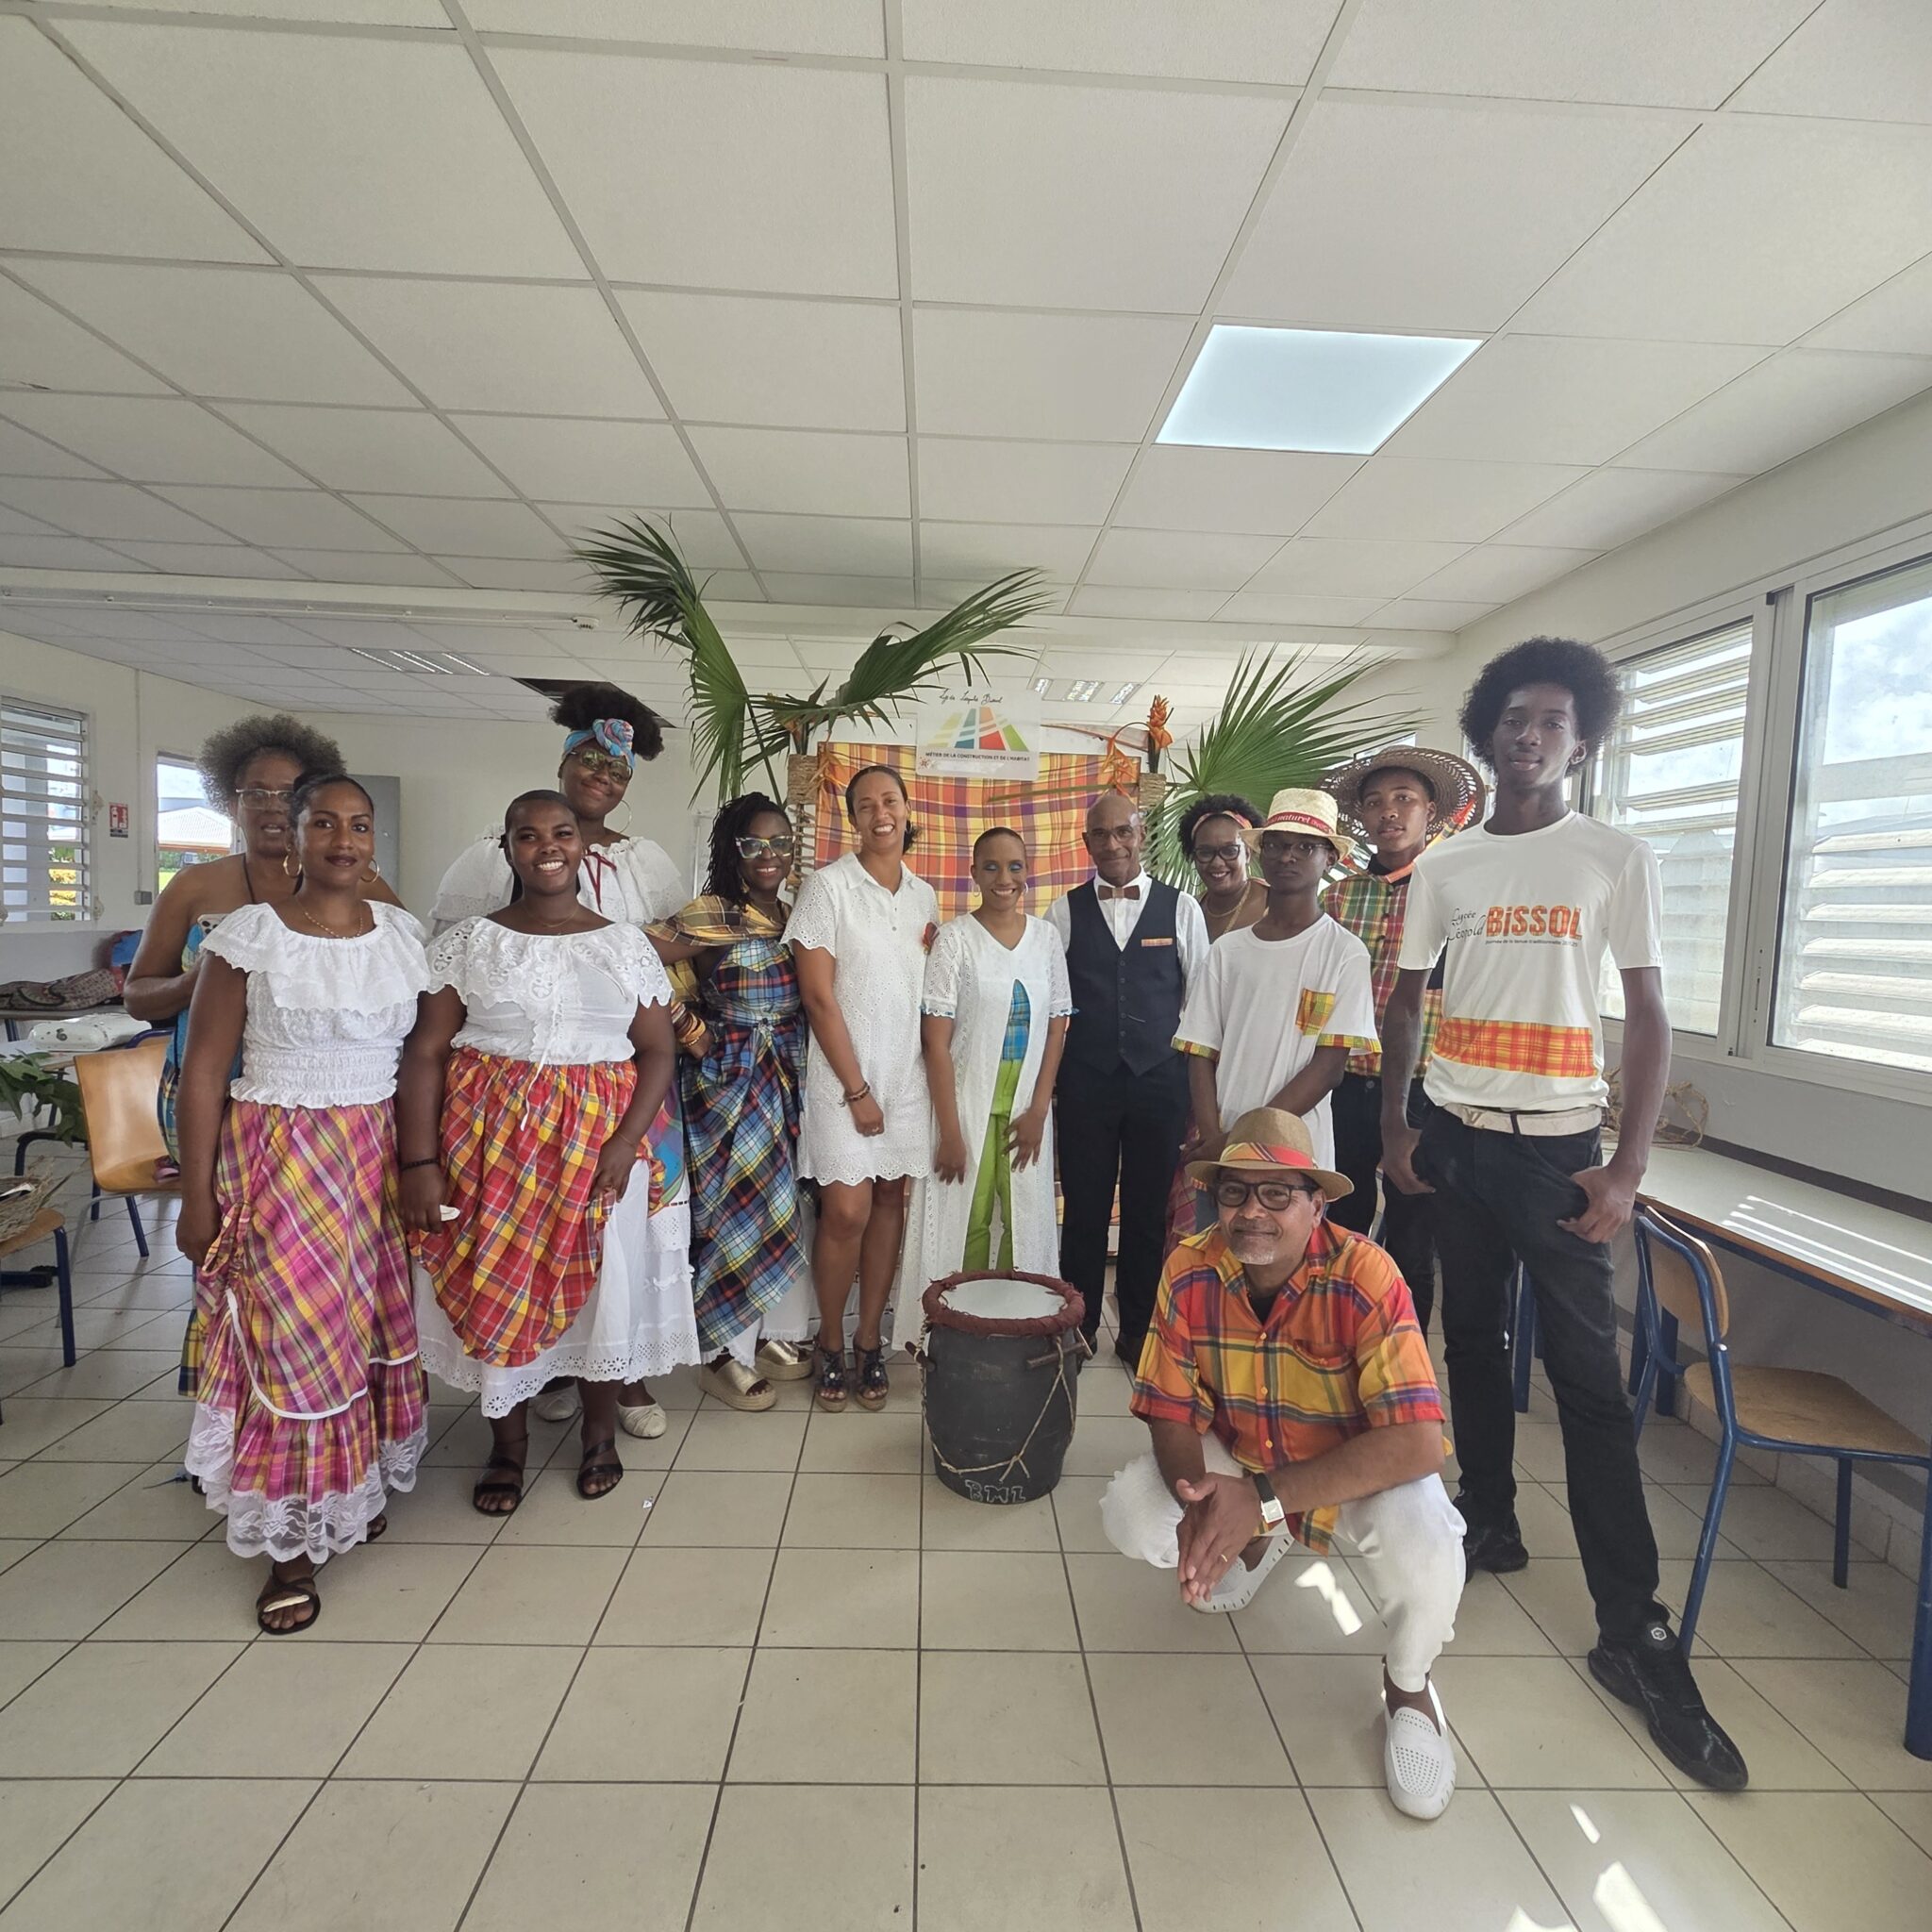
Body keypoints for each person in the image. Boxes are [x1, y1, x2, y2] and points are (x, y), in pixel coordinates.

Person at [1379, 636, 1747, 1790]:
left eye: (1550, 720)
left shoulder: (1612, 858)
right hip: (1454, 1142)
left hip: (1558, 1156)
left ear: (1580, 740)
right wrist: (1395, 1127)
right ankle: (1487, 1516)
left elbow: (1647, 1016)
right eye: (1512, 717)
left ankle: (1629, 1626)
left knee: (1588, 1385)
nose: (1528, 734)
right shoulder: (1445, 865)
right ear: (1486, 733)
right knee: (1469, 1340)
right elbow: (1405, 1001)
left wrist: (1625, 1165)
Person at [1100, 1108, 1465, 1822]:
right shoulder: (1190, 1267)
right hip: (1245, 1452)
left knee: (1429, 1549)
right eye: (1235, 1192)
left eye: (1277, 1194)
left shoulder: (1367, 1274)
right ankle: (1260, 1538)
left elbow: (1417, 1443)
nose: (1252, 1212)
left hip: (1351, 1470)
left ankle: (1409, 1686)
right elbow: (1170, 1406)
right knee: (1135, 1513)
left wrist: (1262, 1499)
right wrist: (1198, 1501)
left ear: (1316, 1204)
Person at [174, 773, 429, 1635]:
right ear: (293, 832)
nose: (343, 840)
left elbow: (420, 1059)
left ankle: (347, 1490)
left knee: (362, 1331)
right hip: (281, 1162)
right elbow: (204, 1074)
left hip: (373, 1162)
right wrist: (198, 1197)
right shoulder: (250, 936)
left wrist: (421, 1164)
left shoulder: (402, 935)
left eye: (358, 825)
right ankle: (289, 1548)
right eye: (324, 823)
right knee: (295, 1342)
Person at [398, 791, 690, 1511]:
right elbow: (427, 1051)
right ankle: (509, 1445)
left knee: (604, 1289)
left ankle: (599, 1435)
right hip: (489, 1148)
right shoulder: (470, 943)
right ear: (508, 849)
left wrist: (627, 1142)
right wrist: (420, 1163)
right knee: (498, 1282)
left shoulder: (624, 945)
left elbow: (657, 1052)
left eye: (561, 833)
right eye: (527, 835)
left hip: (601, 1151)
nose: (547, 846)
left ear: (583, 848)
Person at [124, 713, 400, 1393]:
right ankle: (238, 1397)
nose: (272, 807)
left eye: (289, 793)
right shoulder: (196, 886)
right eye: (256, 793)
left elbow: (393, 979)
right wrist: (208, 977)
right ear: (231, 800)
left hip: (326, 1100)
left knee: (322, 1267)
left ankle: (327, 1393)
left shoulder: (362, 887)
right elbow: (138, 996)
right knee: (231, 1248)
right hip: (212, 1086)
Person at [649, 793, 814, 1412]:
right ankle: (718, 1352)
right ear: (732, 851)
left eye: (780, 843)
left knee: (777, 1205)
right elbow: (634, 959)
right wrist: (690, 1030)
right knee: (724, 1209)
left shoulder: (795, 917)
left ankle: (764, 1332)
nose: (768, 855)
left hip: (785, 1073)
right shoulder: (713, 913)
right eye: (753, 844)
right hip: (725, 1082)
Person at [1319, 746, 1487, 1337]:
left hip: (1425, 1090)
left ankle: (1400, 1351)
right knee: (1338, 1222)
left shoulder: (1460, 896)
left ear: (1431, 811)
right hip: (1344, 1082)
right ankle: (1335, 1339)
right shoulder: (1337, 900)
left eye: (1404, 799)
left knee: (1415, 1230)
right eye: (1374, 802)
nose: (1388, 812)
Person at [789, 763, 939, 1411]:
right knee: (846, 1211)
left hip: (907, 1078)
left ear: (907, 810)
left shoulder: (924, 897)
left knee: (889, 1203)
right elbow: (818, 997)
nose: (882, 813)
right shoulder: (827, 889)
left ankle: (869, 1339)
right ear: (852, 818)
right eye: (867, 804)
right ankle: (829, 1338)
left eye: (891, 801)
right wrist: (856, 1090)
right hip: (842, 1078)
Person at [1172, 789, 1377, 1242]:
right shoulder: (1228, 952)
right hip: (1223, 1155)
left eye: (1305, 846)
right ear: (1260, 853)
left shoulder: (1344, 953)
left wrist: (1243, 1138)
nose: (1288, 856)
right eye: (1278, 844)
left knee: (1292, 1273)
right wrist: (1214, 1137)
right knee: (1221, 1268)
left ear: (1329, 858)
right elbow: (1200, 1052)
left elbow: (1328, 1068)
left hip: (1297, 1156)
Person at [1048, 790, 1209, 1364]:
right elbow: (1053, 1002)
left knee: (1147, 1212)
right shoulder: (1063, 912)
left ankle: (1138, 1328)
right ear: (1086, 842)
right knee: (1084, 1211)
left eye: (1124, 832)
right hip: (1086, 1081)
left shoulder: (1182, 908)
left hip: (1159, 1082)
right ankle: (1079, 1324)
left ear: (1142, 836)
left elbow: (1199, 1002)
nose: (1113, 843)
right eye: (1101, 834)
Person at [896, 828, 1073, 1330]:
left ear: (1027, 871)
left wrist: (1039, 1110)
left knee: (1023, 1222)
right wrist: (950, 1133)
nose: (1003, 878)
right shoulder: (955, 940)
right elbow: (936, 1042)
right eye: (991, 867)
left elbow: (1057, 1025)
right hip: (966, 1108)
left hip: (1026, 1111)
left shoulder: (1045, 939)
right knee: (965, 1222)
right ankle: (954, 1328)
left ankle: (1019, 1329)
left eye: (1015, 866)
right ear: (973, 873)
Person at [429, 683, 682, 936]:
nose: (603, 776)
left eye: (619, 771)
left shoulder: (642, 863)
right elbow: (453, 941)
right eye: (591, 760)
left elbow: (675, 948)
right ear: (563, 764)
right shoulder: (496, 853)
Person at [1180, 793, 1269, 941]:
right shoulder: (1189, 911)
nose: (1217, 863)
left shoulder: (1275, 903)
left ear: (1248, 853)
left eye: (1229, 851)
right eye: (1205, 852)